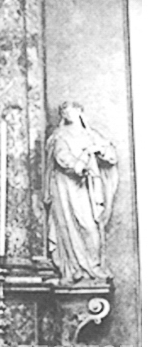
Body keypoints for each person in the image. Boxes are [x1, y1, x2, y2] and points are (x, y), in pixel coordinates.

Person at [44, 102, 118, 283]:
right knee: (69, 224)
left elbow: (111, 155)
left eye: (71, 110)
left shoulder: (90, 135)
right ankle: (74, 268)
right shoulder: (59, 136)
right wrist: (80, 165)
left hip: (87, 187)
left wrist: (99, 150)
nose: (67, 113)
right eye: (64, 111)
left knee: (90, 226)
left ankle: (94, 267)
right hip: (65, 187)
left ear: (79, 112)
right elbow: (62, 158)